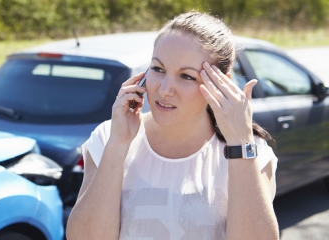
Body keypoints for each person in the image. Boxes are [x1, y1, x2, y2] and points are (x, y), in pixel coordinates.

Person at [66, 11, 279, 240]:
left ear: (222, 84)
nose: (165, 89)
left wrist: (240, 142)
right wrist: (118, 144)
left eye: (186, 76)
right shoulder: (109, 136)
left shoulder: (251, 150)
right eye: (158, 69)